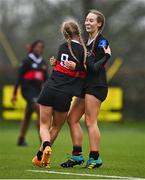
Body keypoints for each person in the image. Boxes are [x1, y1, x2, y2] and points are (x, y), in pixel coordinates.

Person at [61, 9, 111, 169]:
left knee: (90, 121)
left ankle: (95, 158)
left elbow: (95, 68)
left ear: (99, 24)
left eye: (91, 20)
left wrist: (106, 56)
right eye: (86, 20)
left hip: (96, 85)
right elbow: (85, 67)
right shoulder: (86, 42)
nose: (87, 23)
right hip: (85, 85)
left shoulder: (102, 42)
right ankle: (77, 156)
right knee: (72, 118)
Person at [32, 20, 87, 167]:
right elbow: (85, 70)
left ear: (65, 34)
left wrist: (56, 63)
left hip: (50, 88)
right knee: (56, 127)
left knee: (44, 125)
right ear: (78, 32)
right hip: (65, 94)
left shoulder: (63, 46)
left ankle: (45, 148)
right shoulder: (84, 51)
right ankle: (40, 155)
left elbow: (63, 67)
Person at [11, 40, 48, 146]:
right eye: (37, 46)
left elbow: (46, 79)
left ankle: (21, 139)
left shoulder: (43, 62)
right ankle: (43, 141)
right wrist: (14, 93)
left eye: (41, 47)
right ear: (33, 47)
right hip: (27, 90)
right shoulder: (27, 60)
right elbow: (19, 78)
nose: (39, 48)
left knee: (28, 114)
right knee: (39, 111)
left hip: (38, 91)